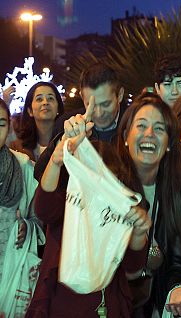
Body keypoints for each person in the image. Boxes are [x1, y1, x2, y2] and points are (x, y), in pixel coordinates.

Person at [27, 106, 152, 317]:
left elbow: (133, 267)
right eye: (91, 178)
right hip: (61, 305)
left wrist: (139, 232)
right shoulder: (69, 203)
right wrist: (57, 160)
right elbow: (44, 208)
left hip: (109, 305)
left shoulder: (122, 209)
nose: (99, 186)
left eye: (109, 180)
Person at [115, 94, 181, 317]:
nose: (149, 134)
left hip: (154, 304)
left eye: (159, 128)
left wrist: (176, 289)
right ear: (125, 135)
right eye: (141, 125)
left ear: (170, 143)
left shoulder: (179, 191)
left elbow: (178, 262)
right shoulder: (109, 187)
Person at [0, 98, 43, 318]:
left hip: (12, 272)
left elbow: (40, 219)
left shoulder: (24, 167)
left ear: (9, 127)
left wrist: (28, 228)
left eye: (0, 123)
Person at [11, 81, 64, 161]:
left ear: (58, 108)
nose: (45, 102)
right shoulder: (17, 147)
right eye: (39, 99)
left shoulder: (68, 142)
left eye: (50, 98)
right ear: (30, 111)